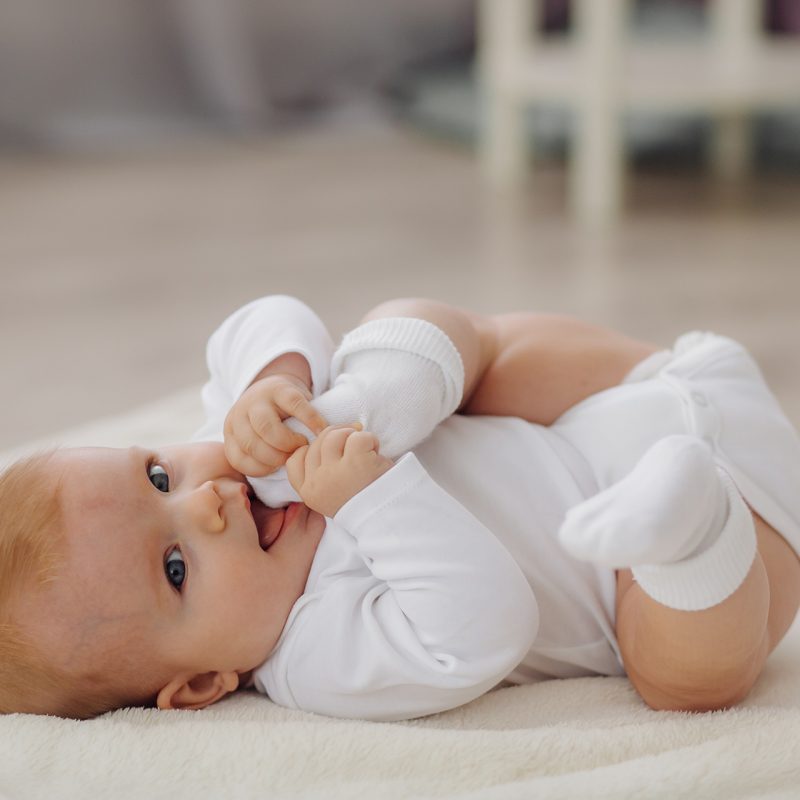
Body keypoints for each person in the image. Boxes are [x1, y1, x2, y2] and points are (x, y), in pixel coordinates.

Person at [1, 295, 798, 720]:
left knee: (424, 334)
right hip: (724, 547)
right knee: (683, 679)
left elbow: (265, 317)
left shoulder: (240, 444)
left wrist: (278, 380)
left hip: (622, 394)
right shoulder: (316, 657)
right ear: (205, 683)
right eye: (176, 569)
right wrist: (372, 499)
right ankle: (690, 526)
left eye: (155, 477)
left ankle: (397, 383)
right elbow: (486, 627)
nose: (208, 502)